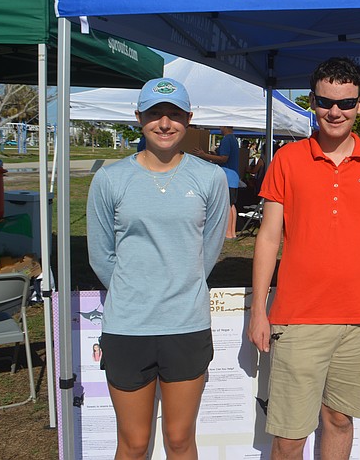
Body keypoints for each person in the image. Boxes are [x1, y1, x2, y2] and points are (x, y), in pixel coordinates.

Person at [249, 57, 360, 460]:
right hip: (297, 317)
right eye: (325, 101)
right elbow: (268, 238)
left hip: (359, 320)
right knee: (288, 437)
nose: (335, 111)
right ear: (312, 101)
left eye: (346, 103)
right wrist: (258, 310)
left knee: (339, 420)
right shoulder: (287, 159)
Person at [87, 77, 229, 460]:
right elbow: (101, 255)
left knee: (180, 440)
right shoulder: (109, 179)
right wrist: (137, 289)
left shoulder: (210, 178)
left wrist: (178, 286)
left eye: (174, 114)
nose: (164, 123)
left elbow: (209, 250)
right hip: (127, 326)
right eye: (154, 113)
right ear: (138, 118)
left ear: (189, 119)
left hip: (186, 324)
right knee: (133, 444)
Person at [194, 126, 243, 236]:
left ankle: (228, 233)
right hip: (233, 176)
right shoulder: (234, 139)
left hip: (227, 176)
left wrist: (204, 155)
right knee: (231, 204)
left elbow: (223, 158)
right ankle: (232, 232)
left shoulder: (226, 139)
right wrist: (213, 154)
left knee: (227, 205)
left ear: (224, 126)